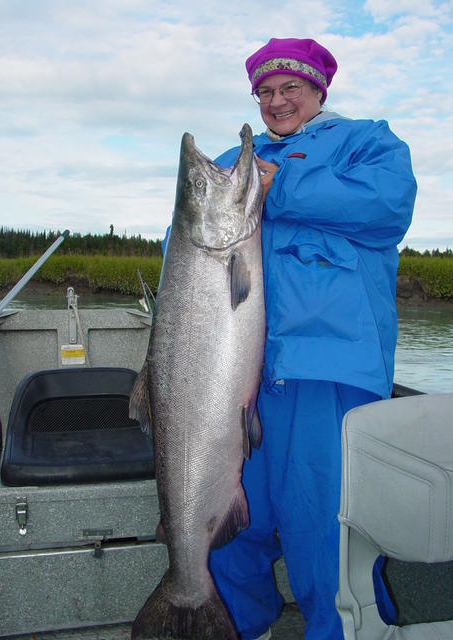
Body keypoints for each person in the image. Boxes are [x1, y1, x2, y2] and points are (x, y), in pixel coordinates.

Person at [206, 37, 417, 640]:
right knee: (231, 528)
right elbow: (189, 247)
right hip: (238, 378)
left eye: (290, 88)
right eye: (265, 92)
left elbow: (386, 208)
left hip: (330, 375)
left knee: (326, 534)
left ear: (319, 89)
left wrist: (281, 191)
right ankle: (239, 630)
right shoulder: (233, 160)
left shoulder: (367, 143)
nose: (277, 102)